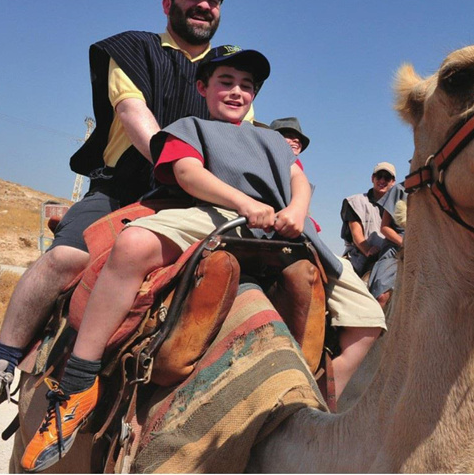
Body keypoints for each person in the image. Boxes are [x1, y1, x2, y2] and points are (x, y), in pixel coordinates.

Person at [20, 46, 386, 471]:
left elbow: (299, 182)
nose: (236, 91)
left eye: (246, 86)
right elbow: (188, 174)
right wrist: (243, 203)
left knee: (367, 318)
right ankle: (79, 384)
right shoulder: (186, 127)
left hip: (281, 227)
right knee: (134, 244)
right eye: (226, 82)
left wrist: (296, 211)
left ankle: (314, 406)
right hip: (212, 213)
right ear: (203, 87)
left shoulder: (271, 139)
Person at [0, 0, 235, 429]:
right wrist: (175, 163)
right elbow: (131, 111)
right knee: (64, 258)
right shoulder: (133, 47)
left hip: (196, 198)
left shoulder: (228, 73)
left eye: (213, 0)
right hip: (128, 185)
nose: (204, 5)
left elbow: (240, 139)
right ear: (167, 5)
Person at [340, 162, 396, 276]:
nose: (382, 180)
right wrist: (368, 250)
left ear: (393, 182)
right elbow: (356, 234)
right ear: (372, 178)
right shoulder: (355, 202)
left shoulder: (399, 206)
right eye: (379, 176)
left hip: (390, 258)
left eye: (387, 177)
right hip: (362, 258)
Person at [367, 182, 406, 309]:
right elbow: (384, 227)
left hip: (425, 249)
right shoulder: (399, 190)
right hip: (396, 249)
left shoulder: (435, 190)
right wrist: (405, 243)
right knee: (381, 295)